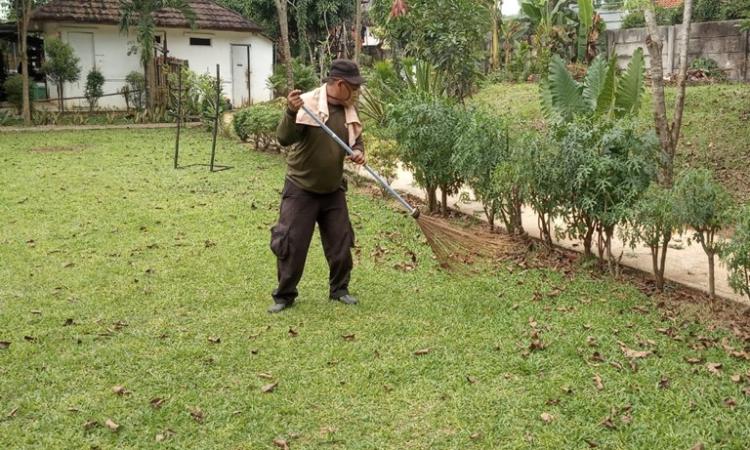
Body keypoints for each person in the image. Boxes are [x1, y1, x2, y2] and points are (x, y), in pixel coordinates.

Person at [268, 59, 366, 314]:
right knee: (292, 244)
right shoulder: (308, 104)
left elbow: (357, 141)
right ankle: (284, 295)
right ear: (341, 84)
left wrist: (357, 151)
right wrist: (290, 111)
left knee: (341, 243)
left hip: (333, 189)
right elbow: (283, 138)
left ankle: (339, 290)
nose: (356, 92)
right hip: (301, 187)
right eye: (354, 87)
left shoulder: (348, 110)